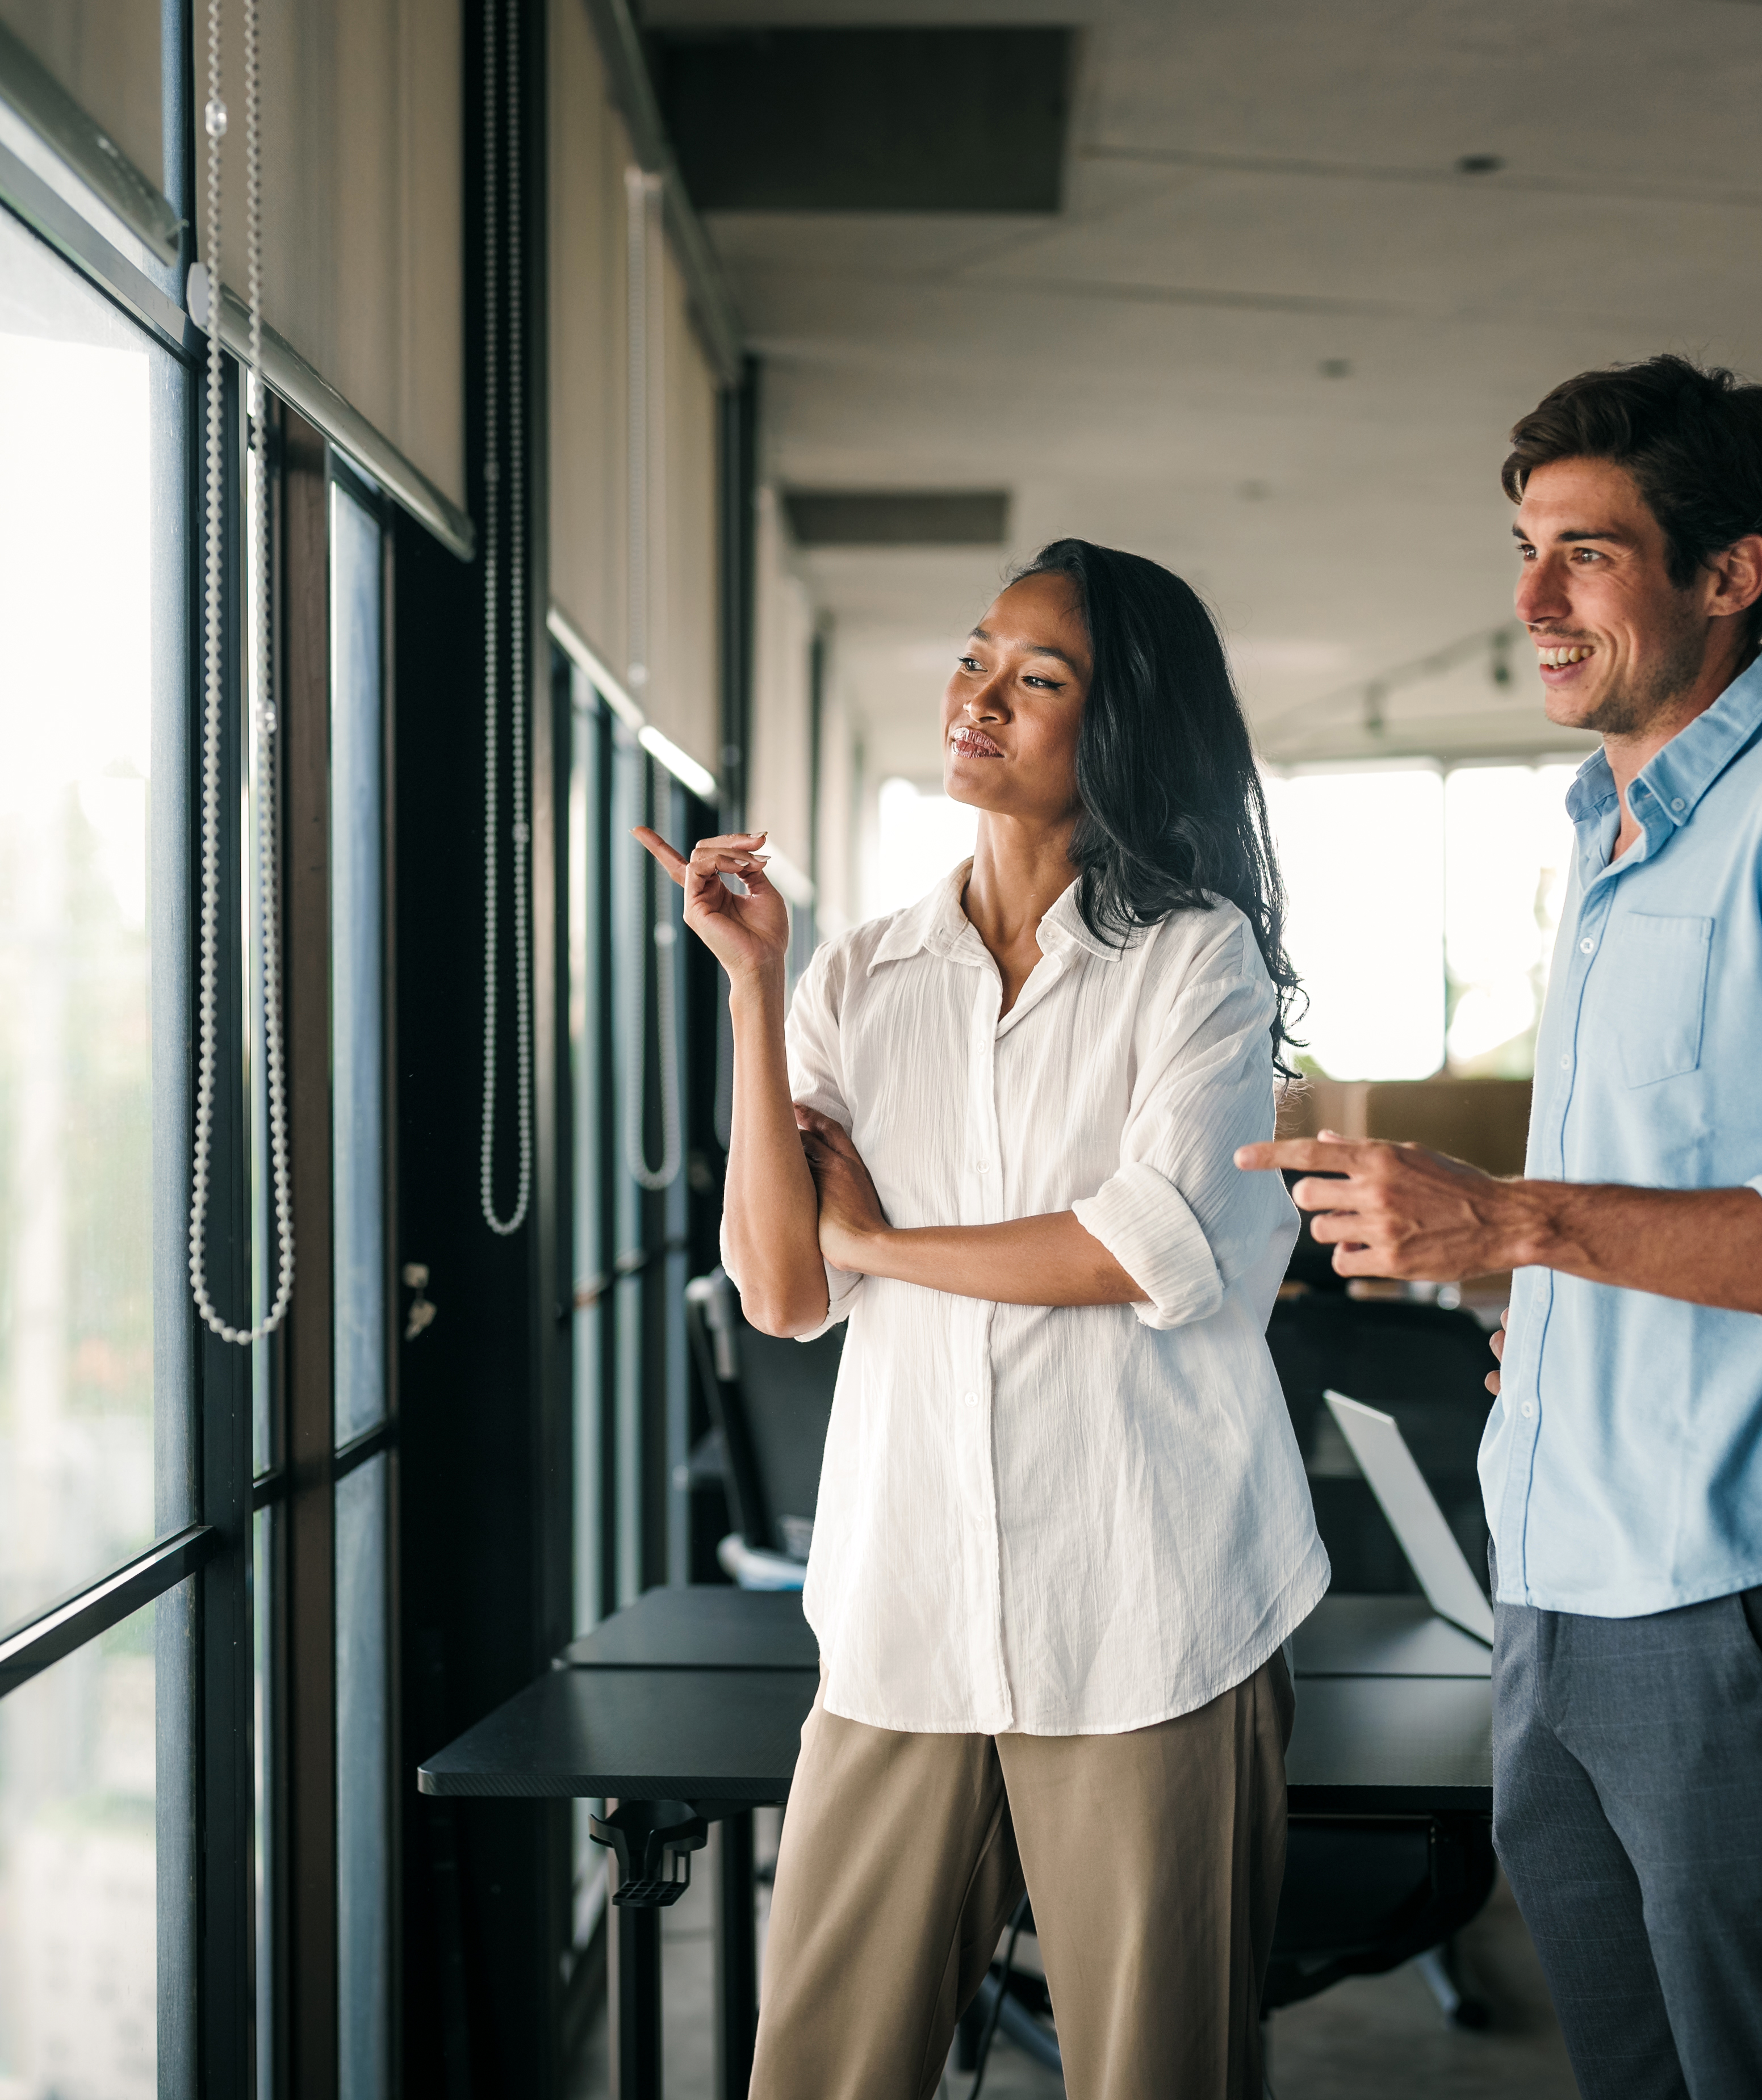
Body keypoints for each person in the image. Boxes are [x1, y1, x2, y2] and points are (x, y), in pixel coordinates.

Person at [1242, 355, 1762, 2100]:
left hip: (1728, 1593)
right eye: (1525, 547)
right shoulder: (1603, 833)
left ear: (1727, 572)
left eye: (1583, 551)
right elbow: (1673, 1202)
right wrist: (1550, 1298)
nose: (1528, 600)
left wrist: (1517, 1217)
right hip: (1553, 1585)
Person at [637, 540, 1321, 2099]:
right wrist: (752, 987)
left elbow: (1140, 1248)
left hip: (1153, 1612)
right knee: (815, 2073)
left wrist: (884, 1233)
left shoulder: (1196, 962)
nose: (980, 698)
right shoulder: (856, 979)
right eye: (975, 657)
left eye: (1038, 677)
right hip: (906, 1613)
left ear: (1120, 727)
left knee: (1160, 2078)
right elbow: (785, 1289)